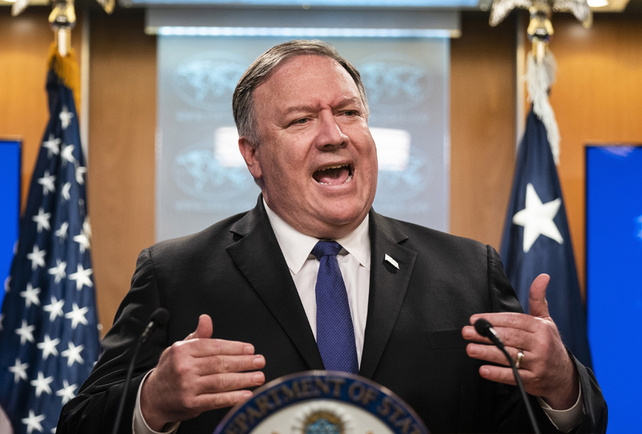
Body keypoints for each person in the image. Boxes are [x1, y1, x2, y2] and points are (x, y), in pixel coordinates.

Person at [58, 40, 606, 434]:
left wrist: (563, 388)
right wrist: (151, 402)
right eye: (300, 121)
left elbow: (528, 424)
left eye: (349, 112)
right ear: (252, 156)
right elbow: (79, 423)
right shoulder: (175, 275)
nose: (333, 134)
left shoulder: (468, 272)